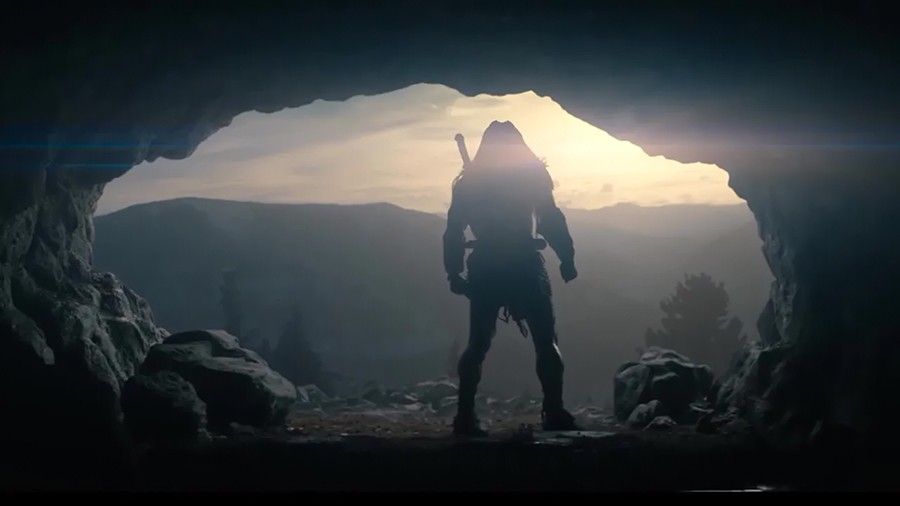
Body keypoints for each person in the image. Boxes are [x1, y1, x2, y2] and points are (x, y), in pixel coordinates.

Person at [444, 120, 580, 436]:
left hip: (486, 267)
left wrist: (454, 270)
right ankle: (554, 411)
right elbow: (550, 218)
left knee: (477, 344)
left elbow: (454, 229)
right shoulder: (533, 177)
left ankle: (465, 416)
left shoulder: (469, 184)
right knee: (546, 341)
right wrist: (566, 256)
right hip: (525, 265)